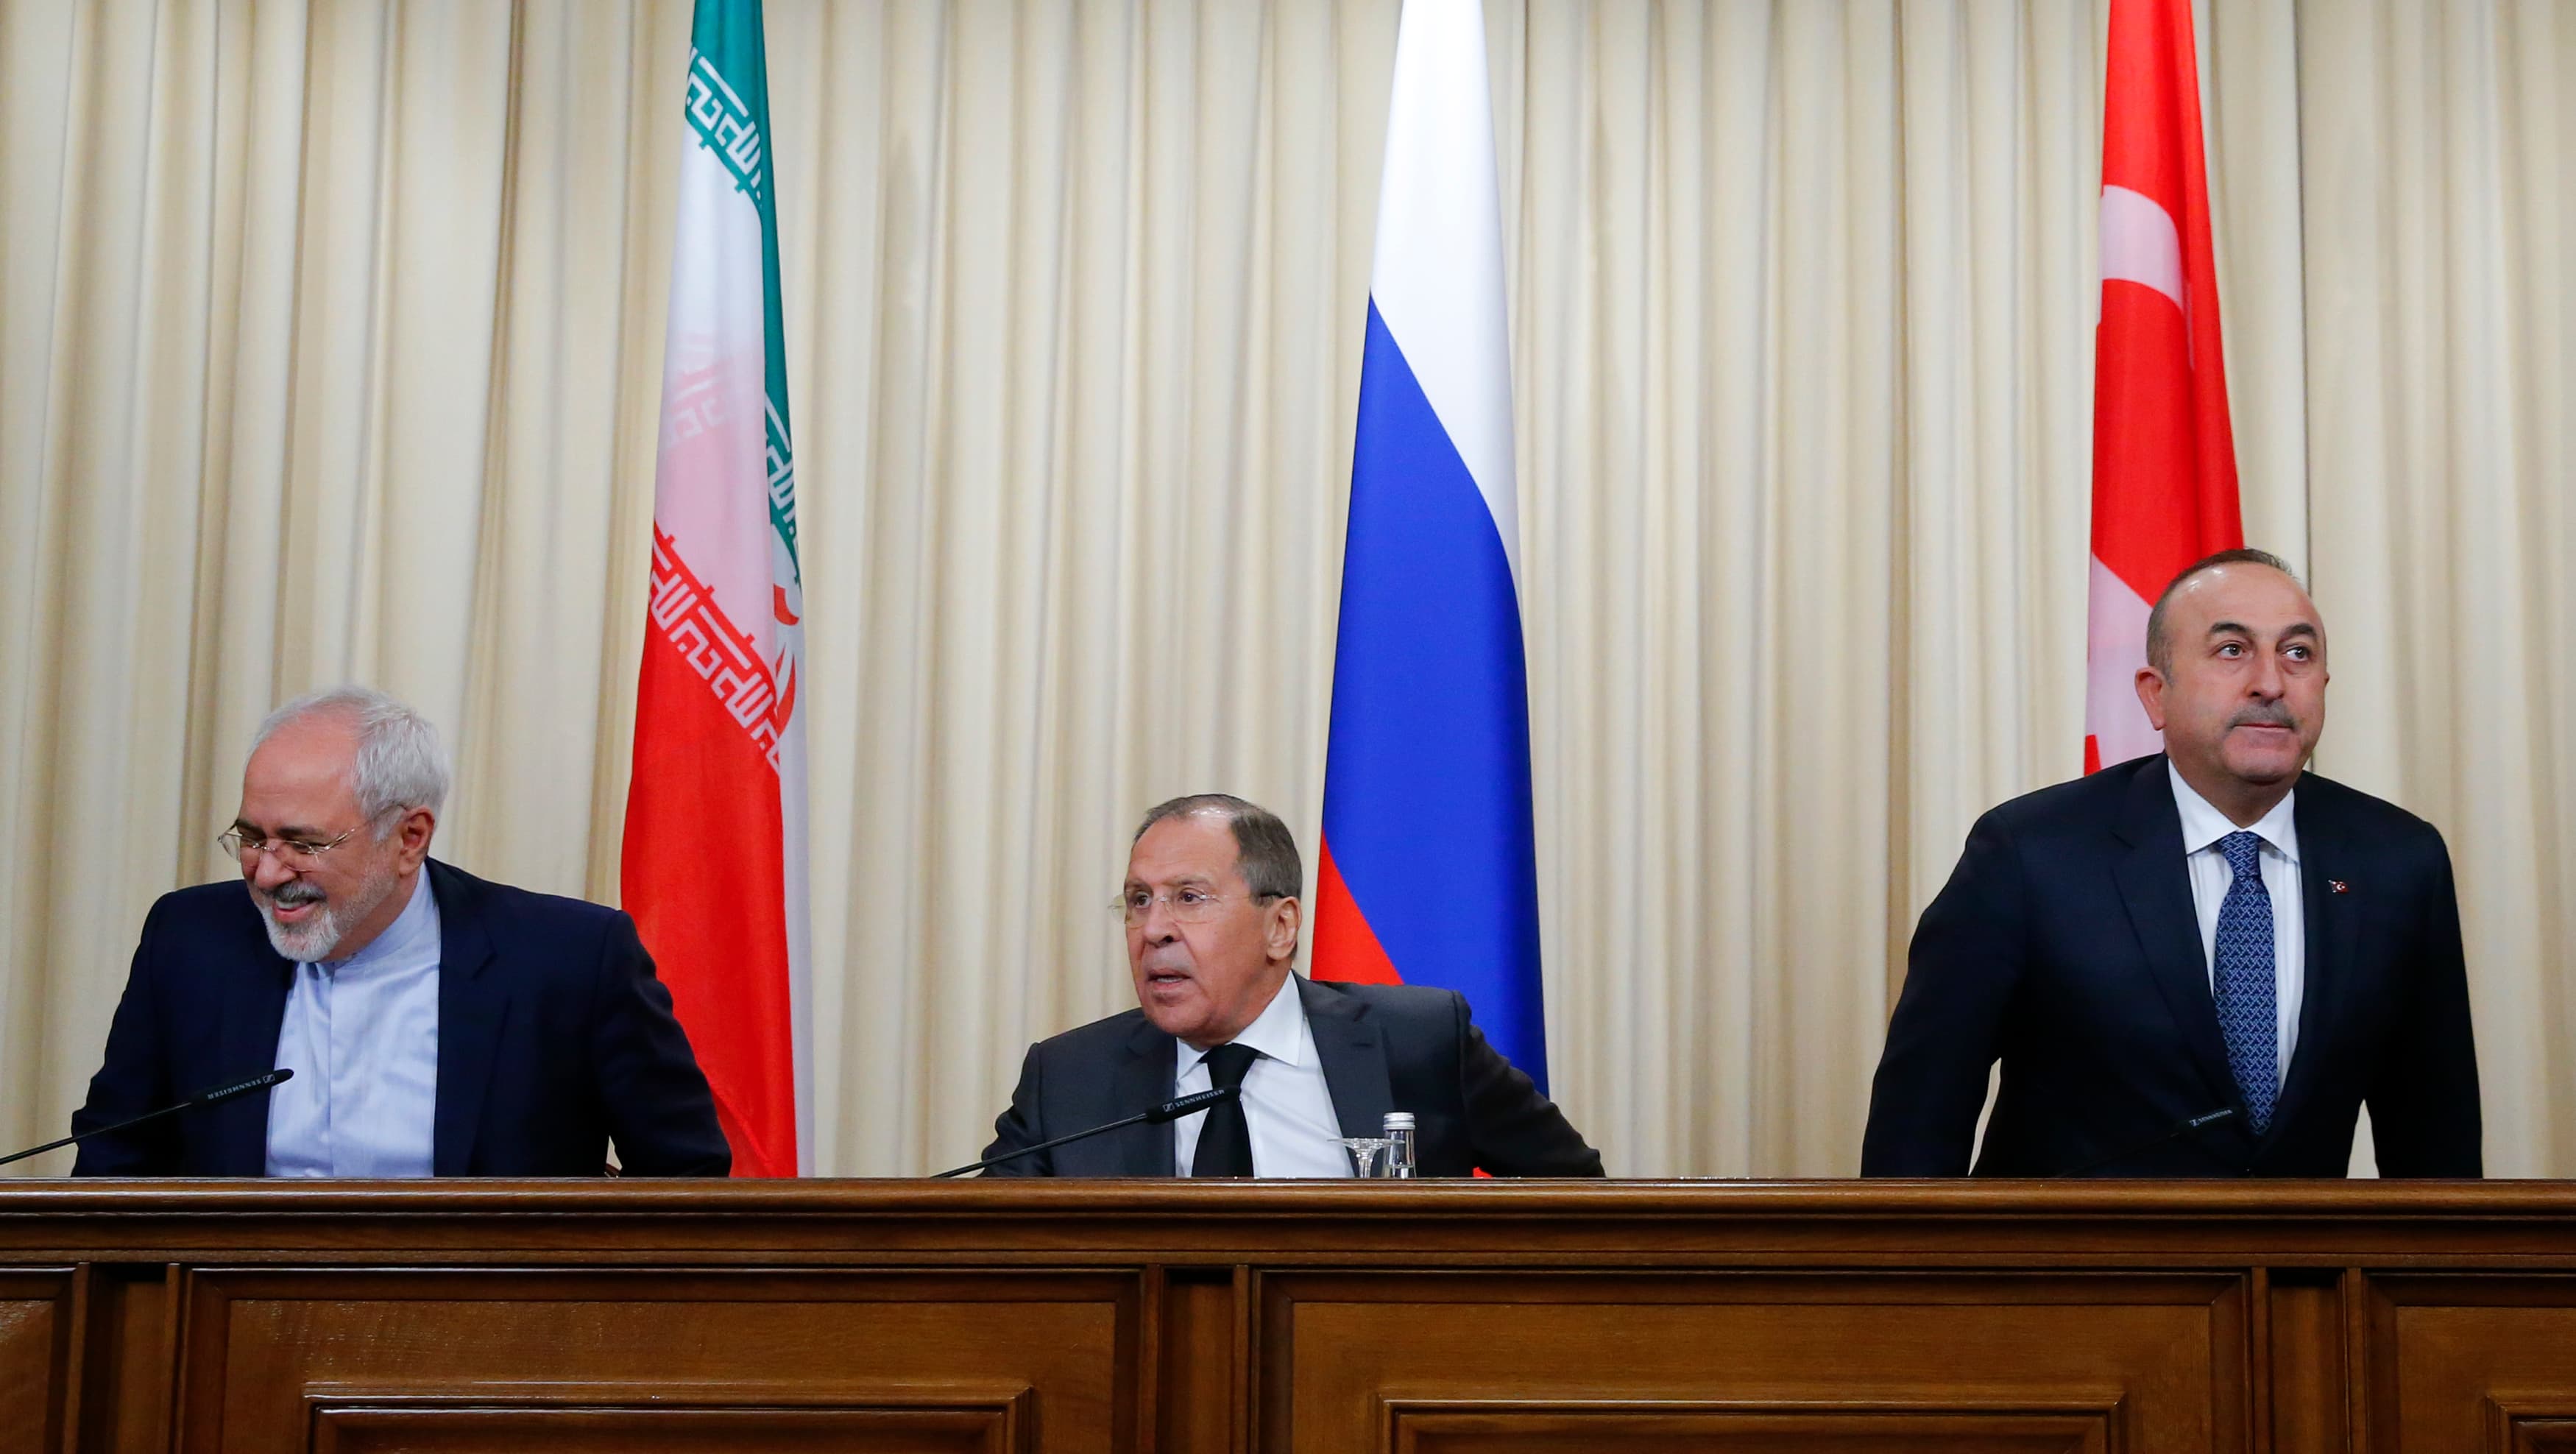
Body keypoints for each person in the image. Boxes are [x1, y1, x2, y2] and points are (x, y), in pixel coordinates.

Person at [1861, 549, 2480, 1177]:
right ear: (2156, 695)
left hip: (2303, 1272)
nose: (2271, 682)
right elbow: (1920, 1116)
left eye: (2297, 653)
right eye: (2232, 650)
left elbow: (2437, 1139)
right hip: (2082, 1268)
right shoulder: (2029, 853)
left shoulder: (2399, 860)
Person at [71, 686, 729, 1176]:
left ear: (409, 837)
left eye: (302, 843)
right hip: (230, 1331)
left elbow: (686, 1180)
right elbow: (113, 1157)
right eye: (251, 837)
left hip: (486, 1339)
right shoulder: (189, 941)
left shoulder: (572, 961)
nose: (267, 873)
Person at [980, 794, 1602, 1177]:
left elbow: (1577, 1197)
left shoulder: (1419, 1041)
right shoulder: (1067, 1076)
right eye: (1139, 900)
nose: (1154, 930)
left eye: (1189, 898)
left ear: (1281, 926)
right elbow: (985, 1257)